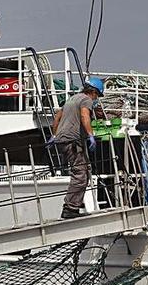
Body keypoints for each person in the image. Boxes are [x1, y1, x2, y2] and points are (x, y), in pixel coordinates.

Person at [50, 77, 104, 219]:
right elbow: (84, 116)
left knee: (85, 171)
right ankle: (70, 208)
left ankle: (74, 205)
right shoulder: (86, 100)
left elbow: (57, 117)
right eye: (97, 95)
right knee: (80, 174)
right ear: (93, 92)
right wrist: (90, 135)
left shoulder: (72, 98)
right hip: (72, 141)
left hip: (63, 140)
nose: (96, 99)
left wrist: (54, 135)